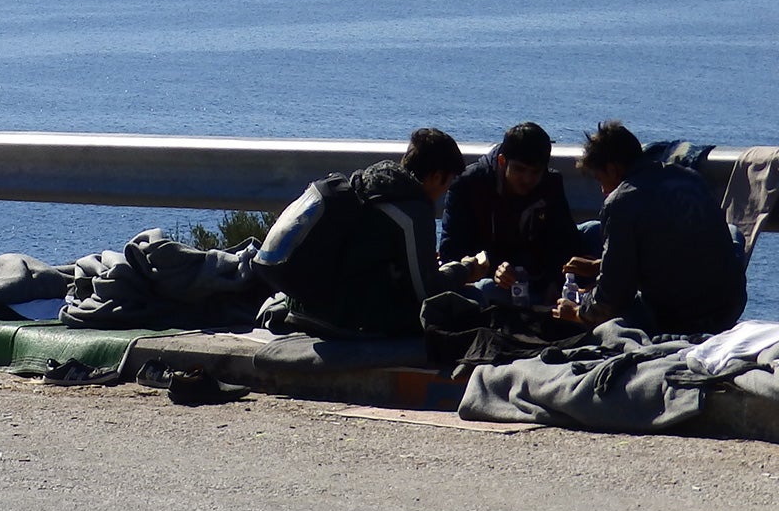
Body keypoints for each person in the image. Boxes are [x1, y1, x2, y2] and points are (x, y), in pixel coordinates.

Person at [261, 126, 471, 338]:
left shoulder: (368, 183)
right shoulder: (413, 210)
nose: (445, 191)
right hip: (338, 318)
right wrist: (465, 270)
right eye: (449, 181)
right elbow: (427, 293)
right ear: (436, 176)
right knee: (449, 311)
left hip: (300, 304)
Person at [555, 120, 746, 336]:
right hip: (729, 306)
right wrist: (601, 266)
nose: (602, 189)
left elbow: (612, 298)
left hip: (685, 319)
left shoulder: (621, 202)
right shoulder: (690, 178)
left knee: (618, 316)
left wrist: (580, 312)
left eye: (600, 179)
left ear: (613, 169)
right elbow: (673, 250)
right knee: (732, 234)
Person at [438, 121, 583, 298]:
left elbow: (565, 241)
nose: (527, 179)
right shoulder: (468, 185)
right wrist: (493, 269)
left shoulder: (550, 183)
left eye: (535, 172)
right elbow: (451, 251)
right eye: (519, 170)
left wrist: (553, 280)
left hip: (535, 276)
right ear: (502, 161)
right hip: (490, 280)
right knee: (487, 289)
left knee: (592, 230)